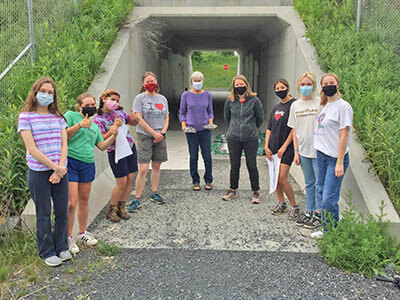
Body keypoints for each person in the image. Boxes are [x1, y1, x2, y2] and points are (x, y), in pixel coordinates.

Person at [18, 76, 71, 266]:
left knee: (62, 212)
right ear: (35, 92)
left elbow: (65, 144)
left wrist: (60, 168)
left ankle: (62, 247)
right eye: (43, 91)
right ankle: (47, 252)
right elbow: (31, 148)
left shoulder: (59, 117)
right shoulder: (26, 117)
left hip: (61, 171)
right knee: (43, 212)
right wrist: (54, 167)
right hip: (39, 172)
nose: (47, 95)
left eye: (51, 92)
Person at [65, 93, 118, 254]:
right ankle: (67, 237)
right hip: (71, 161)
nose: (91, 106)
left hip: (88, 164)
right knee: (71, 202)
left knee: (84, 199)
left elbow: (101, 145)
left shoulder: (94, 126)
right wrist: (80, 125)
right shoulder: (71, 116)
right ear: (79, 107)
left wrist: (113, 135)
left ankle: (82, 233)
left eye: (93, 104)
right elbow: (64, 136)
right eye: (87, 104)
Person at [311, 73, 353, 239]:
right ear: (322, 87)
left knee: (329, 197)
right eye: (325, 83)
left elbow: (344, 135)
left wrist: (340, 162)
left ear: (337, 84)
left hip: (335, 159)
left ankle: (333, 233)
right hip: (321, 155)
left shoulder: (343, 107)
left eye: (331, 82)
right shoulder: (325, 106)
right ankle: (327, 228)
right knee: (320, 191)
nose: (328, 85)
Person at [94, 89, 138, 222]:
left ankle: (122, 207)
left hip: (129, 146)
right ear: (103, 99)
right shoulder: (98, 120)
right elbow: (101, 138)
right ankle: (111, 210)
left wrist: (135, 117)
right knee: (121, 181)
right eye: (112, 99)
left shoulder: (119, 112)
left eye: (117, 101)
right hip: (115, 151)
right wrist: (114, 126)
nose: (115, 103)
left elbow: (131, 121)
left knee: (130, 178)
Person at [287, 72, 322, 229]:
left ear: (314, 86)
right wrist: (296, 151)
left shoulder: (321, 103)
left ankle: (318, 213)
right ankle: (309, 211)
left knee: (319, 184)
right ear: (298, 86)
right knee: (309, 183)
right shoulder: (295, 105)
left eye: (308, 84)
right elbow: (294, 129)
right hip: (303, 151)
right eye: (303, 84)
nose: (305, 87)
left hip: (319, 150)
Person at [223, 74, 264, 203]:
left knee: (252, 165)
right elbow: (227, 117)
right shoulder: (230, 101)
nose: (239, 87)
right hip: (233, 138)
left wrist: (251, 128)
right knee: (234, 165)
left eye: (242, 84)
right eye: (237, 85)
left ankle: (255, 191)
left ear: (246, 85)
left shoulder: (254, 100)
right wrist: (234, 128)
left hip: (250, 138)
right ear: (234, 87)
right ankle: (232, 190)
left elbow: (260, 118)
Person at [131, 72, 169, 206]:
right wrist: (154, 134)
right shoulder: (139, 99)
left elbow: (166, 117)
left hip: (160, 136)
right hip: (145, 136)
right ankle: (137, 198)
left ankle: (154, 192)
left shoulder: (162, 99)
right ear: (143, 84)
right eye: (147, 82)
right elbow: (139, 119)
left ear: (156, 82)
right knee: (143, 169)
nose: (150, 84)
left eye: (152, 81)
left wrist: (162, 133)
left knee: (157, 166)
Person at [265, 78, 300, 220]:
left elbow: (294, 128)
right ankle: (281, 203)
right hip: (272, 148)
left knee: (282, 178)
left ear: (288, 87)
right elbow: (269, 128)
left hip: (286, 149)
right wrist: (266, 146)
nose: (280, 90)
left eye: (282, 87)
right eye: (277, 88)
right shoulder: (276, 108)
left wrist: (284, 146)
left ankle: (295, 206)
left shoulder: (294, 105)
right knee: (275, 179)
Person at [180, 71, 215, 191]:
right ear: (191, 82)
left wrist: (210, 123)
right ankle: (195, 180)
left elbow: (210, 111)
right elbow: (182, 112)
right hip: (191, 130)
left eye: (199, 80)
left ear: (203, 81)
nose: (197, 83)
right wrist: (183, 125)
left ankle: (208, 179)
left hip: (205, 129)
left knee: (207, 155)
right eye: (195, 81)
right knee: (193, 156)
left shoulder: (207, 95)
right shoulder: (185, 95)